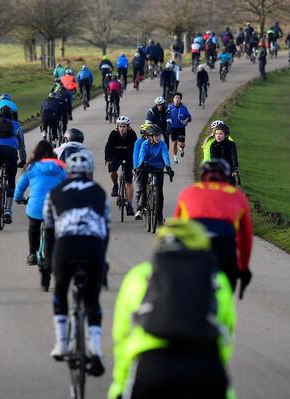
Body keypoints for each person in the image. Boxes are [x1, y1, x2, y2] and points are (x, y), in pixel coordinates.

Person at [108, 219, 236, 399]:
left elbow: (121, 336)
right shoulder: (217, 278)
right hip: (205, 369)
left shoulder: (140, 275)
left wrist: (119, 385)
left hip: (152, 368)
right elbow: (226, 334)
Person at [44, 150, 108, 376]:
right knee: (92, 299)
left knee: (60, 289)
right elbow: (105, 228)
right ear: (89, 171)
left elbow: (49, 230)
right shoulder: (99, 191)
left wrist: (48, 262)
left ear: (67, 172)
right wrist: (104, 261)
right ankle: (95, 348)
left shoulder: (55, 192)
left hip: (66, 247)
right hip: (93, 247)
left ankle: (61, 343)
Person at [174, 160, 253, 294]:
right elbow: (245, 238)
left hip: (195, 245)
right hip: (224, 246)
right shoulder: (237, 195)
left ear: (202, 176)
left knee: (188, 294)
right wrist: (243, 267)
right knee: (225, 295)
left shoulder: (189, 192)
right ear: (226, 177)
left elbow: (177, 230)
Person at [14, 140, 66, 266]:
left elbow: (20, 187)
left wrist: (18, 198)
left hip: (35, 207)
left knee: (33, 227)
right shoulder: (60, 166)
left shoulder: (31, 167)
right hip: (55, 206)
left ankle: (32, 254)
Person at [0, 106, 27, 223]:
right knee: (11, 179)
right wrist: (23, 160)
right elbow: (22, 145)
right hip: (11, 151)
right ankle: (8, 210)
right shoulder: (16, 125)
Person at [135, 124, 173, 227]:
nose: (158, 137)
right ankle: (142, 203)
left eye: (159, 136)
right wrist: (139, 167)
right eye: (155, 136)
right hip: (146, 166)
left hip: (158, 167)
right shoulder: (145, 145)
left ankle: (159, 217)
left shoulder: (162, 144)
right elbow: (141, 157)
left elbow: (165, 156)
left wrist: (168, 167)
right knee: (143, 185)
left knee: (159, 191)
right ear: (149, 137)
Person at [105, 116, 137, 216]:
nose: (122, 128)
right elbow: (109, 147)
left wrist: (135, 163)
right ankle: (115, 185)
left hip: (128, 156)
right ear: (117, 127)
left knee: (129, 181)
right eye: (120, 126)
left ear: (128, 127)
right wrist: (108, 159)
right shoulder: (113, 134)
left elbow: (135, 150)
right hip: (116, 155)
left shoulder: (132, 134)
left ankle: (129, 205)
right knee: (112, 171)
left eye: (124, 126)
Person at [132, 121, 151, 221]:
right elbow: (135, 155)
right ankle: (138, 209)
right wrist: (136, 167)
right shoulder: (139, 142)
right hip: (140, 167)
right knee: (139, 188)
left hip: (151, 167)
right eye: (145, 134)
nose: (147, 136)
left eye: (149, 134)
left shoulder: (153, 142)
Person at [167, 92, 192, 164]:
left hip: (181, 128)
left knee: (181, 144)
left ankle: (181, 149)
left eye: (179, 98)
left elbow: (189, 117)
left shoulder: (184, 108)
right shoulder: (169, 108)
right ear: (173, 99)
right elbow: (166, 117)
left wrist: (186, 120)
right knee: (174, 143)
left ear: (180, 100)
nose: (177, 99)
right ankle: (175, 157)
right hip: (173, 128)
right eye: (176, 98)